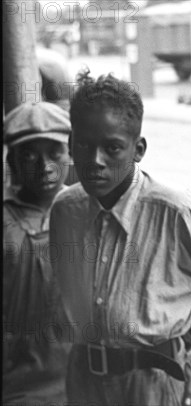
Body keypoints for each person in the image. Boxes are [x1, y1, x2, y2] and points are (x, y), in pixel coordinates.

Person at [49, 69, 191, 405]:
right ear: (70, 144)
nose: (95, 161)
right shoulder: (65, 209)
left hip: (156, 382)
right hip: (84, 377)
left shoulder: (175, 211)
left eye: (112, 148)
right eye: (83, 145)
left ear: (138, 149)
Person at [3, 101, 72, 404]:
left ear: (69, 154)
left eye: (54, 152)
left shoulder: (91, 211)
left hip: (84, 381)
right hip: (19, 387)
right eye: (29, 155)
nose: (45, 166)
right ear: (13, 162)